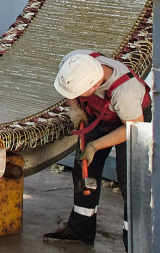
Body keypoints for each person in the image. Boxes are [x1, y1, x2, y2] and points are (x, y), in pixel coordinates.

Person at [43, 49, 151, 247]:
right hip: (97, 116)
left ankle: (135, 243)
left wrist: (95, 145)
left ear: (95, 85)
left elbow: (132, 128)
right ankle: (80, 231)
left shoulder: (125, 92)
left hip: (130, 124)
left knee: (130, 180)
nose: (74, 95)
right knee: (84, 170)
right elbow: (69, 88)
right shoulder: (74, 62)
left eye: (78, 93)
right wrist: (75, 108)